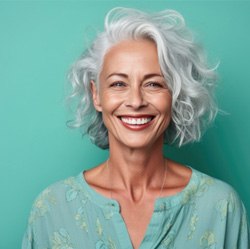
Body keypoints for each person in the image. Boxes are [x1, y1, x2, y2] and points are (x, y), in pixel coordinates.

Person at [22, 7, 249, 249]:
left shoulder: (220, 207)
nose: (136, 101)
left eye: (153, 84)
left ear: (175, 95)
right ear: (96, 95)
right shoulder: (53, 210)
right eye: (118, 83)